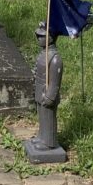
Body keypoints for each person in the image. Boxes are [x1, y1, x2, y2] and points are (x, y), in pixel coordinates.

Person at [31, 21, 63, 150]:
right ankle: (42, 137)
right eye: (38, 35)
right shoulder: (43, 54)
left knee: (48, 118)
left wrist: (50, 97)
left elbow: (55, 82)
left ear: (50, 38)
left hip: (47, 93)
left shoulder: (55, 58)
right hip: (40, 90)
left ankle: (49, 143)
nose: (38, 38)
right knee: (42, 117)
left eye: (41, 36)